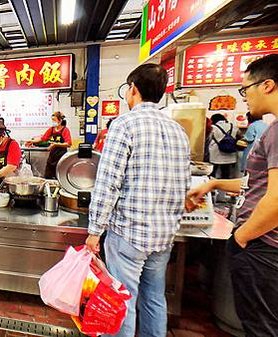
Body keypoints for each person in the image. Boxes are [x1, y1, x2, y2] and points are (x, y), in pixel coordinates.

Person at [85, 63, 191, 337]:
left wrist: (94, 231)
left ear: (132, 90)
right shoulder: (178, 129)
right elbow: (183, 182)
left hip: (129, 234)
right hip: (164, 234)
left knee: (122, 299)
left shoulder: (124, 124)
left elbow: (108, 183)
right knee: (155, 298)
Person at [187, 54, 278, 336]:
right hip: (264, 244)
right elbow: (257, 184)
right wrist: (214, 184)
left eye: (245, 89)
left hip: (263, 247)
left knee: (261, 327)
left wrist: (242, 237)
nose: (244, 97)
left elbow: (275, 200)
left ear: (268, 85)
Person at [27, 111, 72, 178]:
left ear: (60, 120)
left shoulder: (65, 130)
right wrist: (32, 141)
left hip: (61, 155)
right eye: (52, 120)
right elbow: (42, 138)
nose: (53, 122)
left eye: (54, 120)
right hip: (52, 155)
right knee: (48, 175)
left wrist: (55, 144)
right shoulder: (51, 129)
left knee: (59, 175)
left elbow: (68, 144)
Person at [209, 113, 238, 179]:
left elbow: (209, 138)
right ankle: (224, 187)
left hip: (216, 153)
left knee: (212, 171)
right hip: (230, 152)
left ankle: (212, 185)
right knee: (226, 172)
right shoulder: (233, 126)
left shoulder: (213, 127)